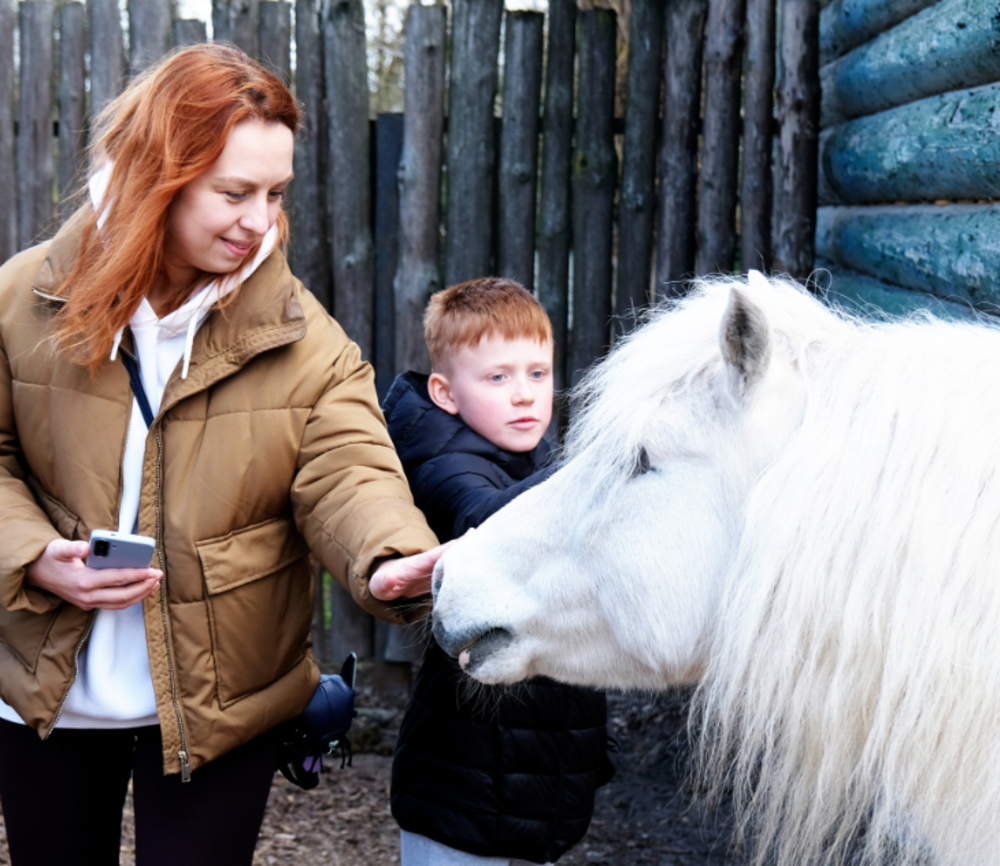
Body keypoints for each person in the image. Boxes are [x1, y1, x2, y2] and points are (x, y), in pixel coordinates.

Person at [0, 43, 443, 866]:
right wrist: (31, 556)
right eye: (234, 193)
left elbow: (350, 469)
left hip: (227, 695)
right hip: (43, 687)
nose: (259, 221)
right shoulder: (22, 298)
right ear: (156, 174)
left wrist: (390, 556)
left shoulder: (304, 337)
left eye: (275, 194)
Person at [383, 278, 616, 866]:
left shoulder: (532, 457)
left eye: (537, 373)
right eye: (498, 378)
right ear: (445, 393)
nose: (524, 395)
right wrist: (606, 463)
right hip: (460, 789)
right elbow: (490, 523)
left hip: (530, 780)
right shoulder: (443, 462)